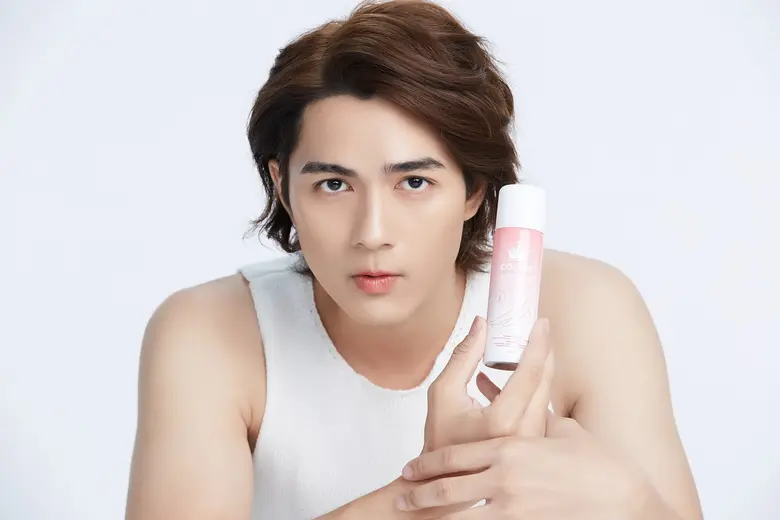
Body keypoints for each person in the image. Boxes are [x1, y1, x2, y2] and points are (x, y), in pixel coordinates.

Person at [125, 1, 703, 519]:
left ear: (474, 189)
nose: (372, 234)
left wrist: (628, 500)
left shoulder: (586, 309)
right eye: (333, 185)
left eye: (415, 182)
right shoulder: (211, 332)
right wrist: (432, 490)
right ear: (282, 186)